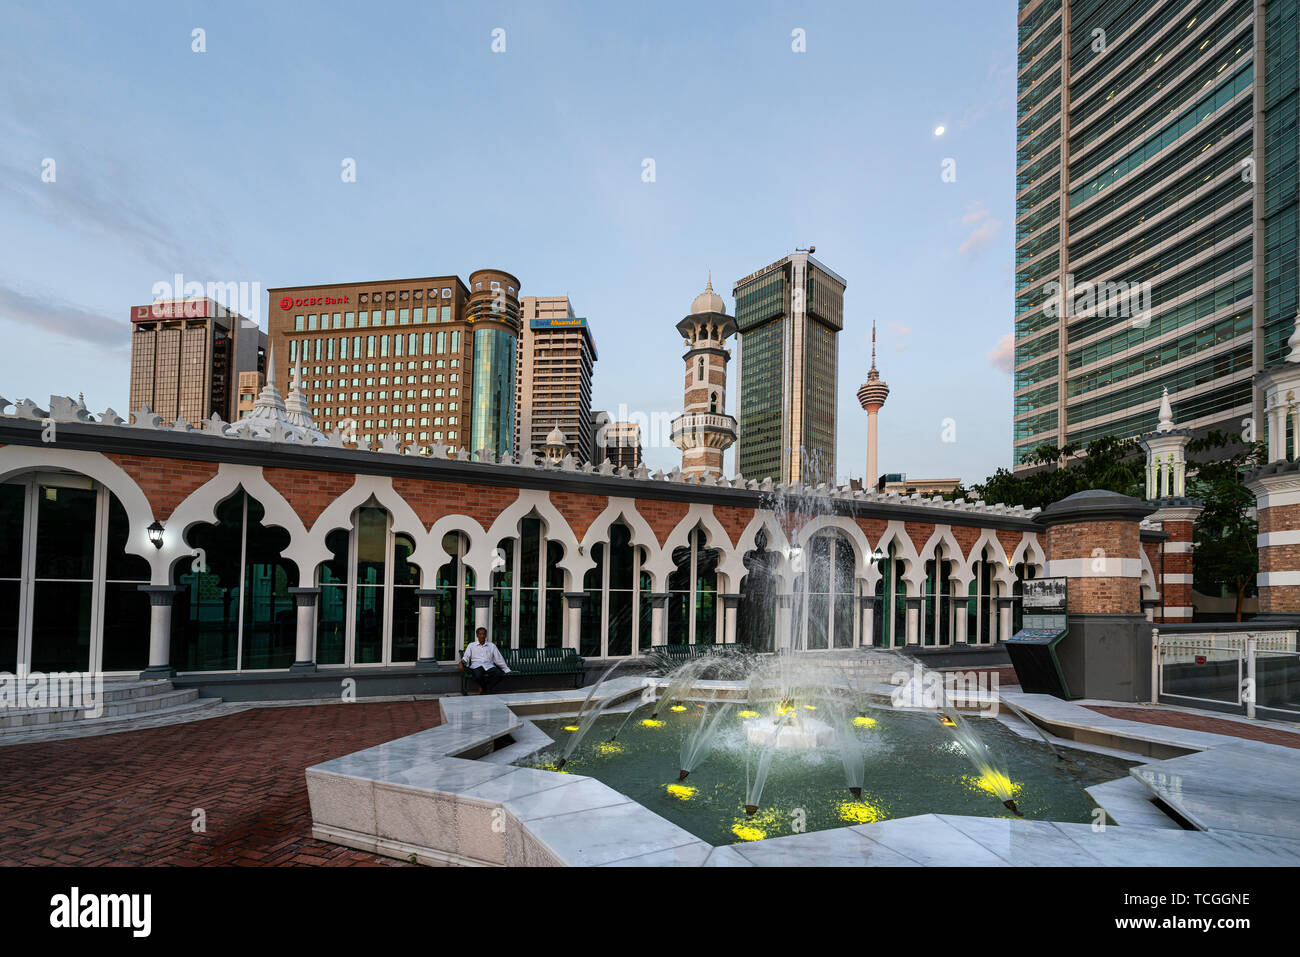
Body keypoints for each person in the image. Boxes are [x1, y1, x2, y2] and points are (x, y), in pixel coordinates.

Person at [459, 627, 511, 695]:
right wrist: (461, 662)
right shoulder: (471, 645)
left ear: (486, 635)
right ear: (477, 635)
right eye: (480, 634)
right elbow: (466, 657)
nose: (482, 636)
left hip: (489, 666)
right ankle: (486, 689)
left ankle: (485, 688)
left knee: (499, 674)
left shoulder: (491, 645)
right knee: (477, 676)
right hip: (476, 666)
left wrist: (506, 669)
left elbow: (498, 659)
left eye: (483, 634)